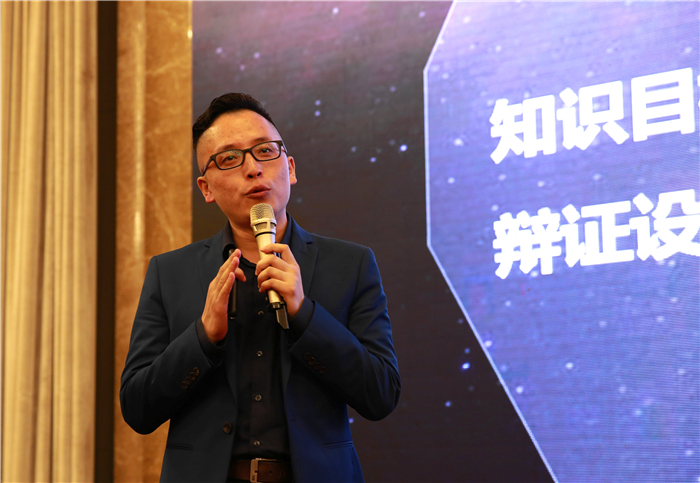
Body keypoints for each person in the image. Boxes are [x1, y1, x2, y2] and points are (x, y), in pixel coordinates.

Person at [120, 93, 401, 483]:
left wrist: (305, 314)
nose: (253, 169)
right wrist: (203, 337)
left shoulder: (350, 264)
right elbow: (137, 408)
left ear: (290, 167)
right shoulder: (170, 273)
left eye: (265, 151)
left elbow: (381, 394)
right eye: (229, 158)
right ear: (206, 187)